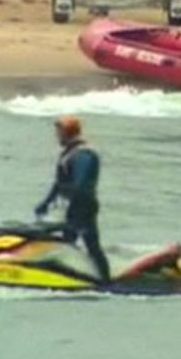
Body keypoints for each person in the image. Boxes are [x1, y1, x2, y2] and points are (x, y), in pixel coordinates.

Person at [34, 115, 111, 283]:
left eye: (59, 132)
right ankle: (69, 274)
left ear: (67, 132)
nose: (57, 136)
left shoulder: (84, 154)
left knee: (91, 246)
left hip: (83, 207)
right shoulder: (69, 153)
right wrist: (46, 203)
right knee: (67, 243)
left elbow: (80, 184)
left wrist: (70, 205)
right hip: (73, 207)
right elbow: (59, 183)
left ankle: (105, 281)